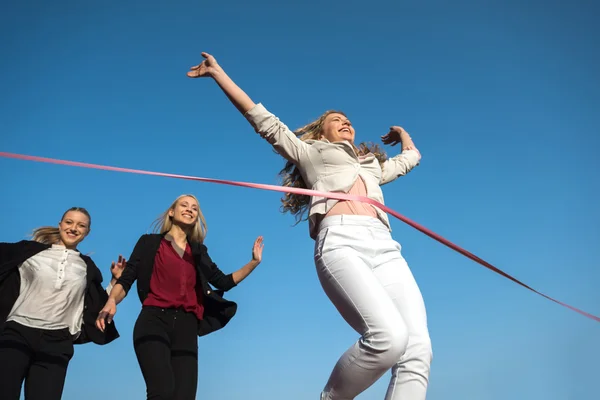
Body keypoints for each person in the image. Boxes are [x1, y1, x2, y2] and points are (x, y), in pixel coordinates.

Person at [188, 52, 432, 400]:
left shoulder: (371, 167)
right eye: (336, 119)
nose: (345, 122)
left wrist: (404, 134)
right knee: (388, 338)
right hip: (342, 243)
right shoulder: (310, 153)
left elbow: (410, 159)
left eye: (348, 119)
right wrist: (219, 74)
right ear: (321, 130)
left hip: (386, 248)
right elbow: (263, 120)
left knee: (418, 348)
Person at [96, 194, 264, 400]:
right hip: (153, 321)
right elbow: (127, 279)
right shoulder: (149, 243)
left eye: (195, 208)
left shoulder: (198, 251)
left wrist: (253, 262)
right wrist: (112, 300)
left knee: (184, 396)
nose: (189, 209)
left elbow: (223, 282)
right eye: (184, 205)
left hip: (187, 327)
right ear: (171, 212)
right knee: (162, 391)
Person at [0, 207, 123, 400]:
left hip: (57, 342)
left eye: (81, 225)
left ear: (87, 232)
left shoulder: (86, 267)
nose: (74, 228)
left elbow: (94, 306)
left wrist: (115, 281)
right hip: (17, 333)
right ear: (60, 225)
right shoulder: (29, 252)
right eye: (69, 222)